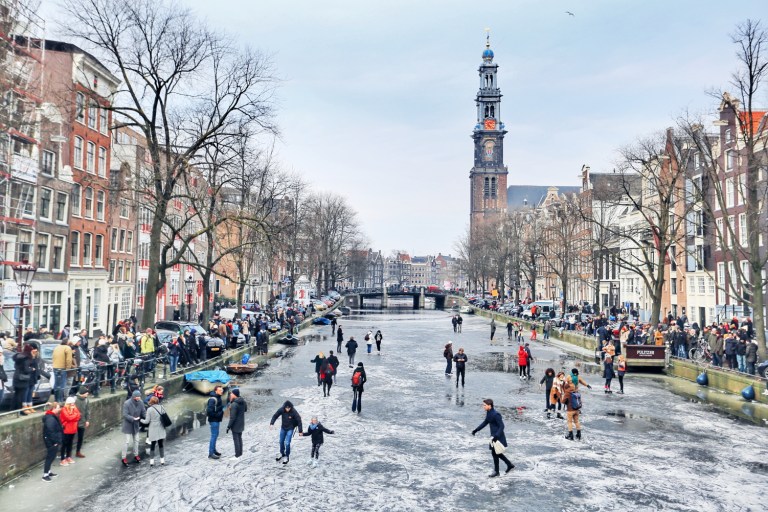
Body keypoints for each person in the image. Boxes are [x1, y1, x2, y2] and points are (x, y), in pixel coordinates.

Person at [471, 398, 514, 478]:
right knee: (496, 453)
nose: (483, 407)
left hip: (498, 437)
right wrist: (476, 430)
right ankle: (508, 465)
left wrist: (496, 436)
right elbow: (485, 422)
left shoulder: (496, 414)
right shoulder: (489, 413)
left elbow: (502, 426)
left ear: (489, 406)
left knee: (495, 453)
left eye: (484, 405)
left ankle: (498, 471)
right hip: (493, 437)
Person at [562, 368, 591, 440]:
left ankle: (570, 435)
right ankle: (578, 433)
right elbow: (582, 381)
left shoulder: (567, 393)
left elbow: (562, 401)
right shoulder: (577, 393)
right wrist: (587, 385)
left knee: (569, 422)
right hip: (577, 409)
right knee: (577, 421)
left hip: (570, 410)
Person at [122, 389, 146, 466]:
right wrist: (133, 418)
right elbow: (125, 414)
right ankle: (123, 457)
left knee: (136, 440)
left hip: (136, 425)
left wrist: (147, 418)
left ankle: (136, 455)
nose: (139, 398)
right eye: (137, 396)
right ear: (134, 396)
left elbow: (143, 412)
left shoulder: (141, 402)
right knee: (126, 442)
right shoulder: (127, 403)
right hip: (128, 425)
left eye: (139, 396)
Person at [141, 396, 168, 466]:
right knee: (160, 444)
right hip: (161, 427)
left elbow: (146, 422)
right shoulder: (162, 407)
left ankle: (151, 461)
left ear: (151, 402)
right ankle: (162, 460)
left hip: (153, 428)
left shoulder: (149, 409)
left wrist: (140, 420)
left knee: (152, 444)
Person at [41, 402, 63, 482]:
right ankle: (45, 475)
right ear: (53, 408)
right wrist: (55, 441)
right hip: (51, 441)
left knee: (52, 456)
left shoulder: (50, 417)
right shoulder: (50, 419)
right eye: (58, 408)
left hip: (51, 440)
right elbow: (51, 432)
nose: (59, 409)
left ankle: (48, 472)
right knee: (50, 457)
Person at [12, 344, 36, 415]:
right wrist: (32, 369)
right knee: (23, 394)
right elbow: (26, 369)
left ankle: (17, 409)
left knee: (18, 394)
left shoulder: (18, 357)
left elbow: (16, 367)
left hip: (17, 377)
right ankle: (23, 409)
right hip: (23, 378)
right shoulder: (26, 358)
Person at [59, 396, 81, 466]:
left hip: (73, 429)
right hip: (66, 429)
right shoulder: (64, 409)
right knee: (64, 444)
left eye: (73, 403)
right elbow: (68, 418)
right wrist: (75, 415)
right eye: (71, 403)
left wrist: (73, 416)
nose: (73, 405)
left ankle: (68, 456)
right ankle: (63, 459)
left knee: (70, 444)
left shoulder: (74, 408)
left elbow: (78, 416)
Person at [51, 339, 74, 404]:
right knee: (62, 384)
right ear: (67, 342)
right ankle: (60, 400)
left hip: (55, 367)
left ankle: (56, 399)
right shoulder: (67, 348)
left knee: (56, 384)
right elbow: (69, 360)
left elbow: (53, 357)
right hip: (62, 368)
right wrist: (68, 368)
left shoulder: (57, 347)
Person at [227, 388, 247, 460]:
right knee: (239, 438)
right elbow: (245, 409)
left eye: (231, 393)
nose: (230, 394)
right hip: (241, 423)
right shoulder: (243, 401)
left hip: (235, 425)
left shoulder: (234, 404)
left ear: (234, 394)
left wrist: (228, 427)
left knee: (236, 440)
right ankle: (240, 453)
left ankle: (237, 455)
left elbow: (232, 417)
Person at [206, 385, 225, 460]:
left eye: (222, 390)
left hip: (216, 420)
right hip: (214, 420)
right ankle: (211, 453)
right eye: (220, 390)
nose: (222, 391)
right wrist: (217, 415)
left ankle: (214, 450)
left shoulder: (218, 397)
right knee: (214, 436)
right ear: (216, 391)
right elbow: (209, 411)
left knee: (215, 435)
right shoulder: (212, 399)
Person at [74, 385, 90, 458]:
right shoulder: (75, 400)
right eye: (86, 393)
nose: (87, 394)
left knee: (80, 438)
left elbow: (87, 411)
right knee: (70, 438)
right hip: (73, 421)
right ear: (82, 393)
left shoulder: (86, 400)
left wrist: (87, 420)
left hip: (82, 421)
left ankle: (78, 451)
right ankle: (67, 454)